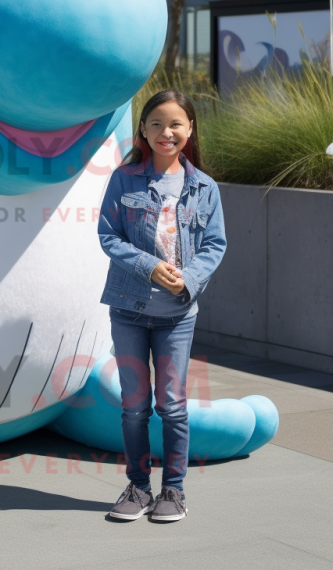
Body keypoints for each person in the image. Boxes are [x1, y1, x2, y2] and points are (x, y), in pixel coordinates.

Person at [97, 90, 226, 522]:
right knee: (134, 405)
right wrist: (151, 267)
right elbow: (108, 235)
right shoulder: (124, 178)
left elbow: (214, 245)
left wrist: (187, 278)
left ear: (190, 130)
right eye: (156, 124)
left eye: (175, 124)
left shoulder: (204, 188)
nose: (166, 132)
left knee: (172, 404)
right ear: (143, 130)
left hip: (177, 317)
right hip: (129, 309)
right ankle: (137, 487)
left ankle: (173, 491)